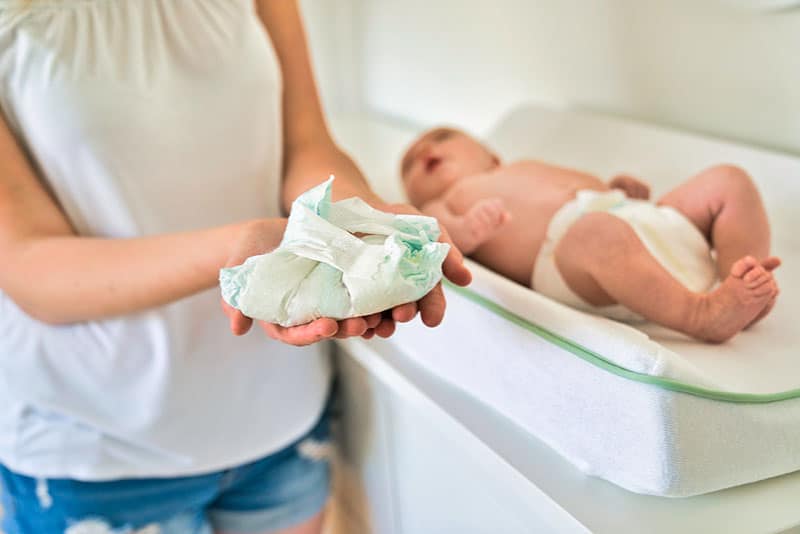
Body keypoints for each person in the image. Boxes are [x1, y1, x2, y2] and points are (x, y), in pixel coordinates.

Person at [0, 2, 470, 533]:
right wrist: (243, 255)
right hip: (98, 453)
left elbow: (306, 146)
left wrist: (358, 220)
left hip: (281, 422)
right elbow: (30, 266)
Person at [400, 127, 780, 343]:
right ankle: (702, 314)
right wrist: (469, 229)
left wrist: (616, 190)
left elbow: (583, 190)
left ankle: (742, 276)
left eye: (443, 137)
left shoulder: (518, 167)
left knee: (728, 180)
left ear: (492, 156)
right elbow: (444, 240)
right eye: (410, 164)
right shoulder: (443, 202)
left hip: (636, 221)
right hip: (570, 256)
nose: (425, 150)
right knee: (596, 234)